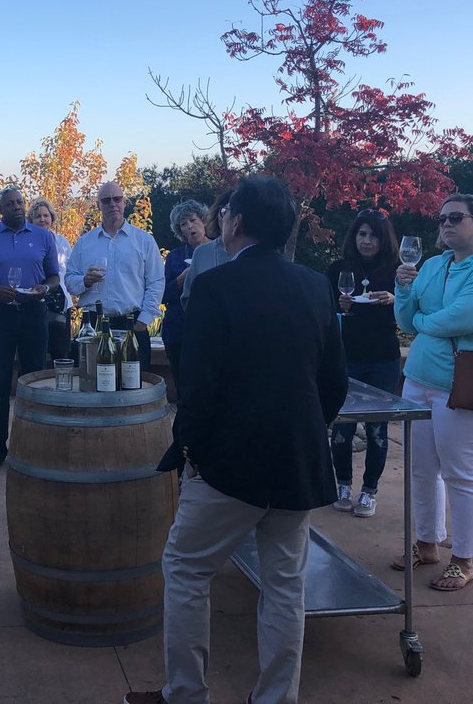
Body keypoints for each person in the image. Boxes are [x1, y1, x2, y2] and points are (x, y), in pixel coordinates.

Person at [126, 175, 348, 704]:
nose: (220, 221)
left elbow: (199, 385)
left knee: (184, 568)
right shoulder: (316, 285)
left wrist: (189, 452)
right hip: (298, 461)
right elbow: (333, 383)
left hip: (230, 463)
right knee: (285, 585)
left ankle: (186, 695)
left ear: (237, 223)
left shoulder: (215, 287)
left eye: (224, 215)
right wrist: (307, 432)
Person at [391, 193, 473, 592]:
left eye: (456, 218)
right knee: (422, 470)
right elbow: (407, 320)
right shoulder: (431, 264)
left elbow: (463, 317)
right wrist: (404, 289)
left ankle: (463, 559)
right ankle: (427, 544)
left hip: (466, 384)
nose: (446, 224)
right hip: (419, 380)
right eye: (441, 218)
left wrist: (424, 319)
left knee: (463, 475)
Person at [0, 187, 60, 470]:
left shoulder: (44, 237)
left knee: (33, 383)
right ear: (0, 210)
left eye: (20, 202)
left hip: (34, 313)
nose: (17, 207)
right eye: (10, 204)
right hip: (0, 316)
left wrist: (44, 288)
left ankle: (32, 447)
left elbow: (54, 276)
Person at [324, 209, 400, 519]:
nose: (367, 241)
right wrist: (338, 306)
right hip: (347, 358)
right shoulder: (339, 269)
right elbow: (326, 312)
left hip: (383, 359)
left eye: (374, 235)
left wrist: (395, 299)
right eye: (362, 234)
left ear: (384, 239)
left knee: (377, 430)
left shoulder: (397, 271)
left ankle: (369, 490)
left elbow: (410, 310)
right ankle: (343, 484)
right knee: (341, 426)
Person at [64, 181, 164, 374]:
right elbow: (69, 281)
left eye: (117, 199)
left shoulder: (143, 241)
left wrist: (143, 321)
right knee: (92, 384)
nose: (113, 204)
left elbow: (156, 282)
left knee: (134, 389)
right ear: (98, 205)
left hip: (132, 324)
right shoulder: (85, 242)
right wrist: (84, 281)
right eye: (106, 200)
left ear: (124, 203)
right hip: (94, 325)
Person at [160, 199, 208, 386]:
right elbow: (163, 295)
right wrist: (180, 281)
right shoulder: (175, 257)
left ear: (203, 221)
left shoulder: (220, 250)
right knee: (183, 385)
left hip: (209, 330)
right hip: (178, 330)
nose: (189, 227)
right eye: (183, 224)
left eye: (193, 220)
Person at [29, 197, 73, 363]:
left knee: (60, 353)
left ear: (52, 218)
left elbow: (70, 270)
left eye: (46, 215)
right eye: (38, 216)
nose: (42, 219)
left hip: (60, 305)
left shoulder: (62, 242)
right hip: (35, 303)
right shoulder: (28, 243)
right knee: (35, 353)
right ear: (31, 220)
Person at [178, 189, 234, 312]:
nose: (190, 226)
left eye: (193, 220)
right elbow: (187, 300)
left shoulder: (258, 253)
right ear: (218, 215)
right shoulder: (201, 253)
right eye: (225, 211)